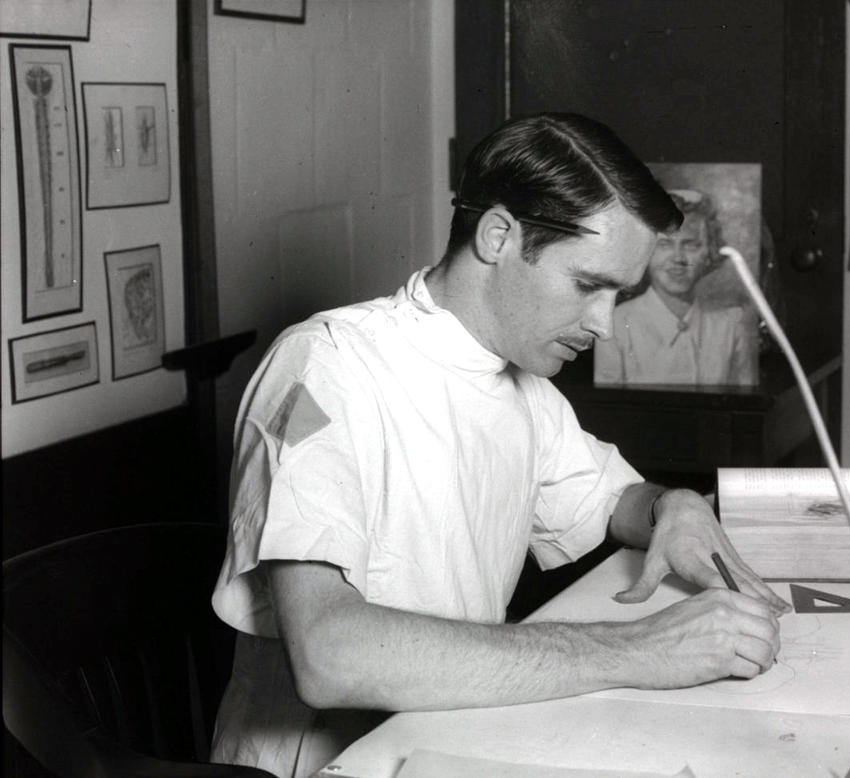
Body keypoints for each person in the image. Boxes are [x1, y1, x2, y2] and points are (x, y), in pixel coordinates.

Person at [209, 113, 787, 778]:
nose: (603, 324)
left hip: (453, 742)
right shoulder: (318, 373)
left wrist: (670, 508)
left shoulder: (517, 377)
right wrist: (635, 650)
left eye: (619, 295)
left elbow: (609, 499)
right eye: (588, 285)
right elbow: (328, 653)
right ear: (499, 235)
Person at [594, 188, 756, 387]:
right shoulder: (617, 324)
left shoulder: (730, 326)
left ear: (710, 252)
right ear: (644, 250)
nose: (678, 258)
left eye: (691, 245)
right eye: (664, 245)